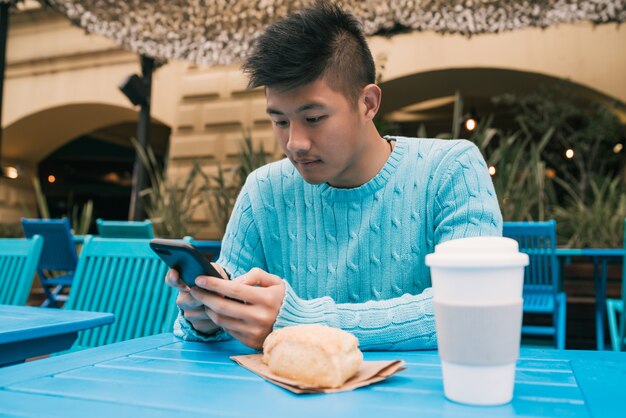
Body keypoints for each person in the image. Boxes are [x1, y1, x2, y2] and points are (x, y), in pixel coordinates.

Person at [166, 1, 502, 351]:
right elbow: (219, 316)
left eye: (313, 118)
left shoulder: (450, 169)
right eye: (280, 121)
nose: (294, 143)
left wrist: (300, 319)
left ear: (368, 103)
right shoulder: (263, 190)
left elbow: (471, 307)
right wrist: (207, 317)